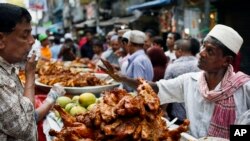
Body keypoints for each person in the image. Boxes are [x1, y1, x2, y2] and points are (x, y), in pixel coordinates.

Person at [100, 24, 250, 139]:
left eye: (210, 51)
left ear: (226, 60)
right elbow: (155, 88)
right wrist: (123, 78)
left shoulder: (244, 88)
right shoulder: (190, 81)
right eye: (203, 46)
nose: (201, 53)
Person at [0, 3, 65, 141]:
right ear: (1, 40)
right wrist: (30, 75)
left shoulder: (8, 67)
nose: (32, 41)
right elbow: (27, 128)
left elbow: (25, 114)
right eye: (25, 35)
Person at [163, 38, 200, 125]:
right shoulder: (201, 66)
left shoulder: (172, 67)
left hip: (178, 116)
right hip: (198, 115)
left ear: (179, 51)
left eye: (175, 50)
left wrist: (163, 110)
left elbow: (166, 91)